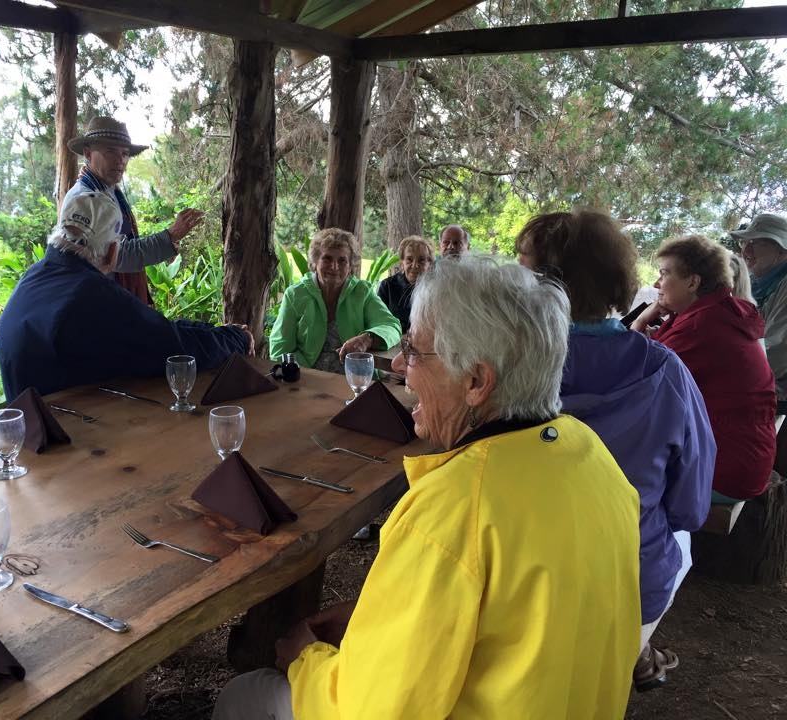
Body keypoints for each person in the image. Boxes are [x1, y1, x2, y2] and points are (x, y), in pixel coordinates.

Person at [216, 259, 641, 720]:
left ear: (476, 381)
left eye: (415, 351)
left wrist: (304, 660)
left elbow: (372, 711)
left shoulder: (455, 507)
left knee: (245, 696)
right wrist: (376, 617)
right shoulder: (590, 454)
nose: (399, 365)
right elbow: (524, 609)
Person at [516, 209, 715, 691]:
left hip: (520, 584)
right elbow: (691, 507)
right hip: (629, 582)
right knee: (672, 539)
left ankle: (633, 655)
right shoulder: (667, 373)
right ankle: (636, 652)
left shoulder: (503, 371)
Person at [0, 191, 252, 399]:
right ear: (110, 252)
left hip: (35, 429)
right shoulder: (88, 293)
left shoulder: (36, 276)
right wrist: (235, 338)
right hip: (67, 439)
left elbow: (152, 328)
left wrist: (217, 331)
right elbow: (173, 348)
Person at [632, 234, 776, 501]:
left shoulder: (702, 327)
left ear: (693, 282)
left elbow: (635, 384)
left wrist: (639, 325)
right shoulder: (718, 314)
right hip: (745, 459)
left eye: (664, 274)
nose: (656, 283)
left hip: (725, 471)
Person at [65, 116, 204, 304]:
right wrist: (170, 236)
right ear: (88, 154)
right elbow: (117, 256)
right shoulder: (84, 201)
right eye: (111, 151)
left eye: (124, 153)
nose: (120, 160)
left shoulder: (107, 190)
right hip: (98, 304)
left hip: (113, 297)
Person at [269, 228, 401, 373]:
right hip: (306, 377)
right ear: (315, 262)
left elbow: (391, 326)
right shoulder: (296, 295)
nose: (334, 267)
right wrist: (306, 375)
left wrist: (367, 339)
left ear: (350, 266)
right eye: (327, 258)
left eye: (342, 260)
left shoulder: (362, 292)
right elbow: (279, 349)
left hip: (355, 377)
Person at [731, 213, 787, 412]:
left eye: (755, 242)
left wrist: (725, 369)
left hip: (777, 391)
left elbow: (777, 353)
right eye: (745, 242)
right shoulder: (762, 283)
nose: (746, 250)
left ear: (781, 249)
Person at [376, 235, 433, 333]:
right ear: (402, 262)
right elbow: (379, 322)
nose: (415, 265)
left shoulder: (435, 288)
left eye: (421, 260)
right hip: (394, 341)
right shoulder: (387, 286)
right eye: (409, 259)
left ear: (429, 263)